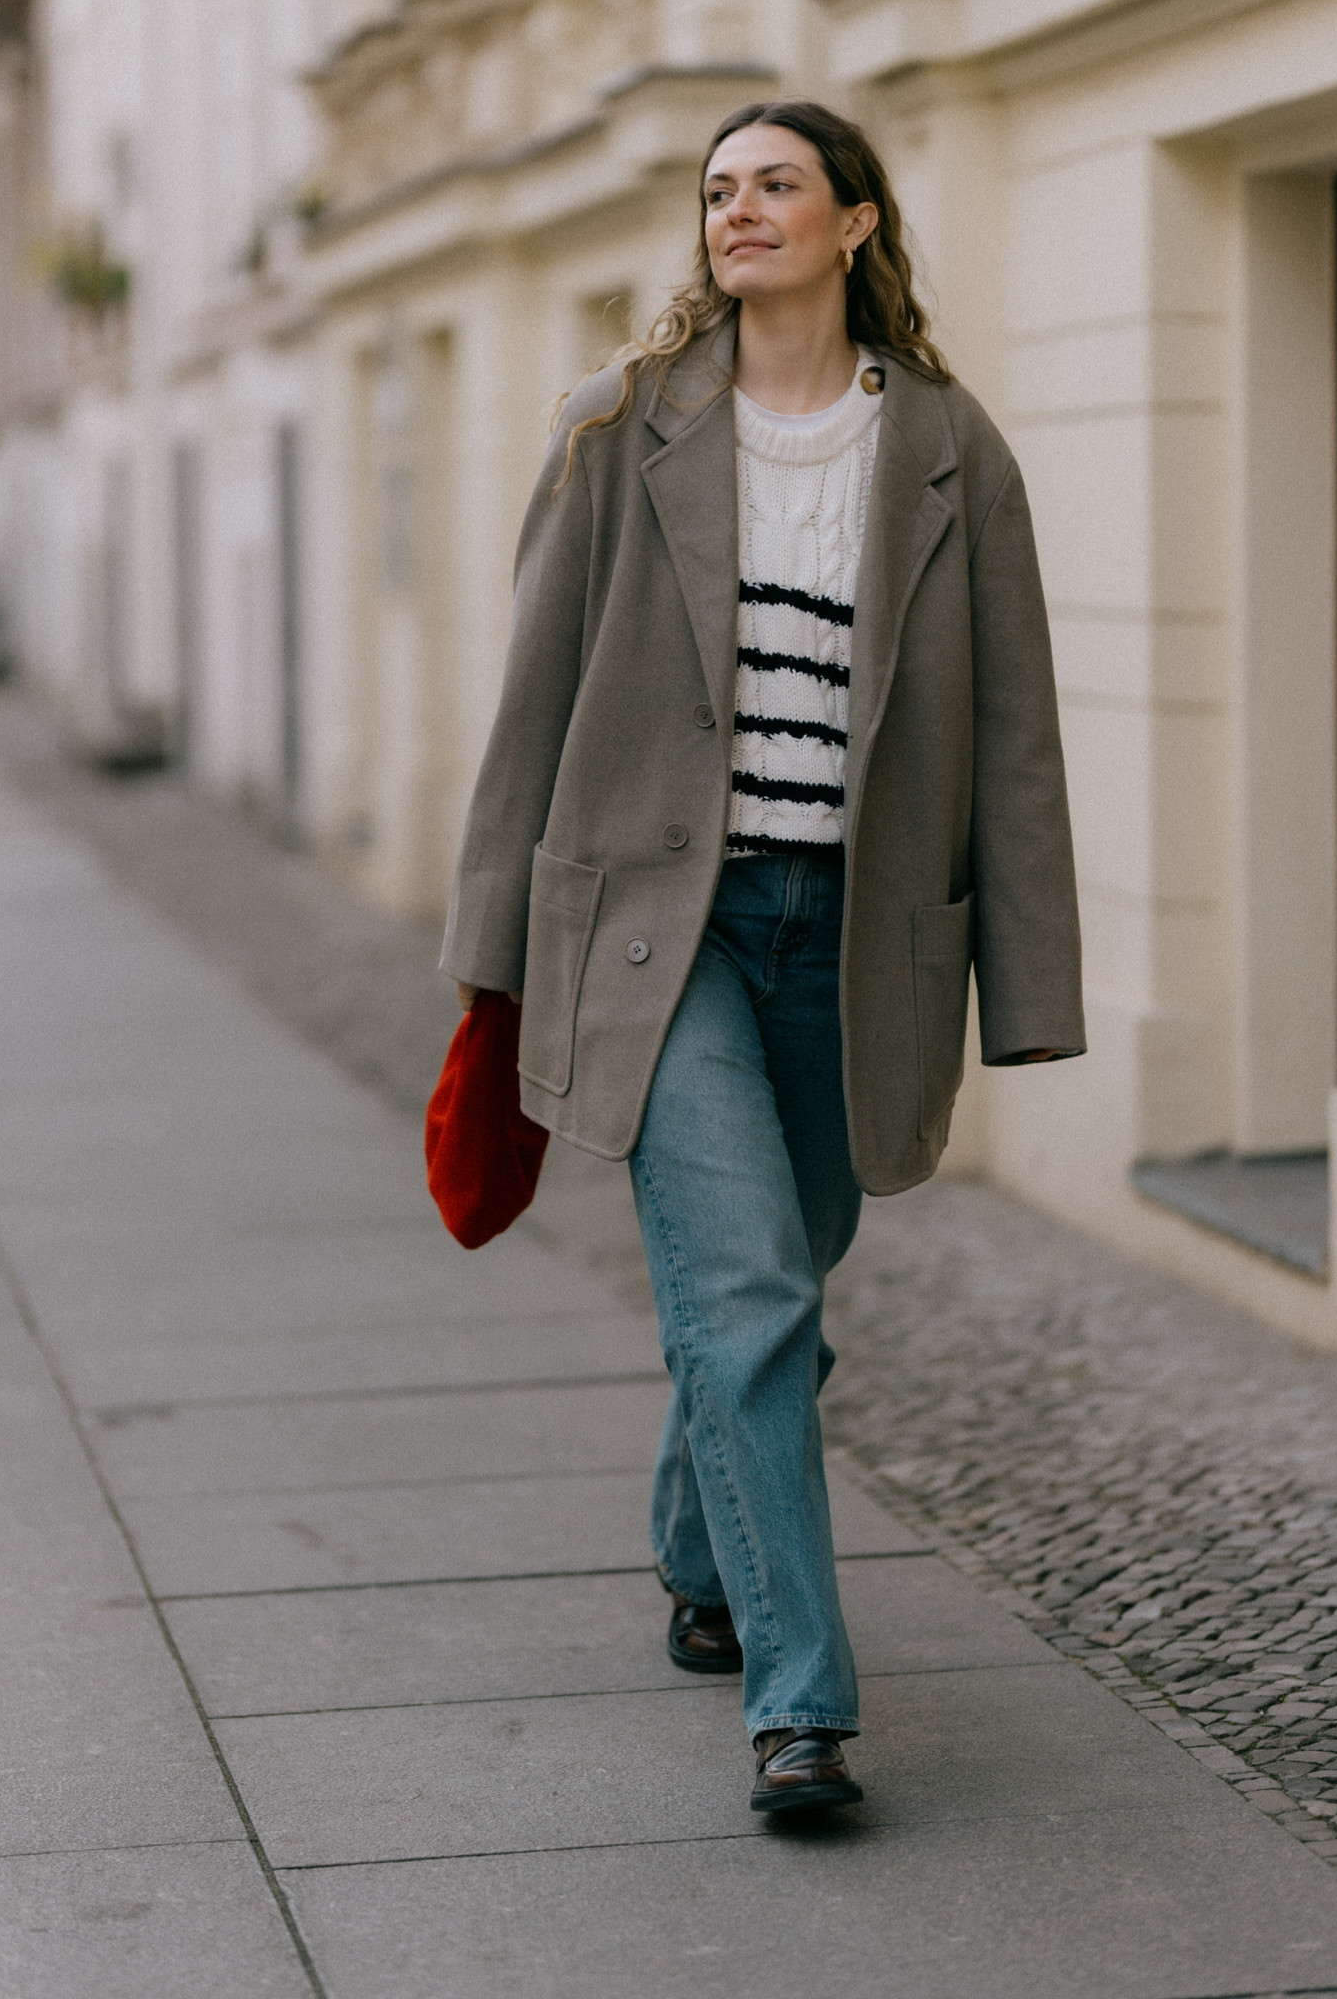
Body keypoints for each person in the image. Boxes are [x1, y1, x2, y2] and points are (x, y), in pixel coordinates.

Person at [443, 98, 1084, 1815]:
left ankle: (695, 1548)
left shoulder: (951, 449)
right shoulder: (621, 427)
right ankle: (802, 1710)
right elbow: (534, 702)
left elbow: (1014, 737)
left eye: (776, 186)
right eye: (719, 191)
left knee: (773, 1297)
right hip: (668, 936)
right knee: (744, 1305)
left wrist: (1024, 988)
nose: (740, 212)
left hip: (859, 942)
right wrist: (492, 958)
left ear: (857, 224)